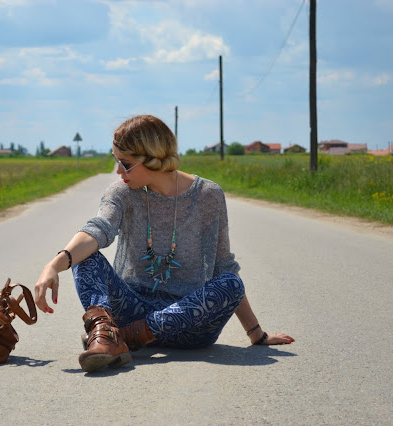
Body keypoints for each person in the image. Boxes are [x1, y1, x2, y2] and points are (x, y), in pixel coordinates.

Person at [34, 114, 294, 373]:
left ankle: (125, 337)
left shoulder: (208, 195)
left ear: (152, 158)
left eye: (125, 163)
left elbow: (223, 267)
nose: (118, 171)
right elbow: (97, 229)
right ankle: (105, 335)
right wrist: (54, 265)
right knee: (85, 256)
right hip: (132, 308)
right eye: (116, 161)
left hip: (192, 324)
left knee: (231, 283)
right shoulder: (122, 192)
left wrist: (256, 334)